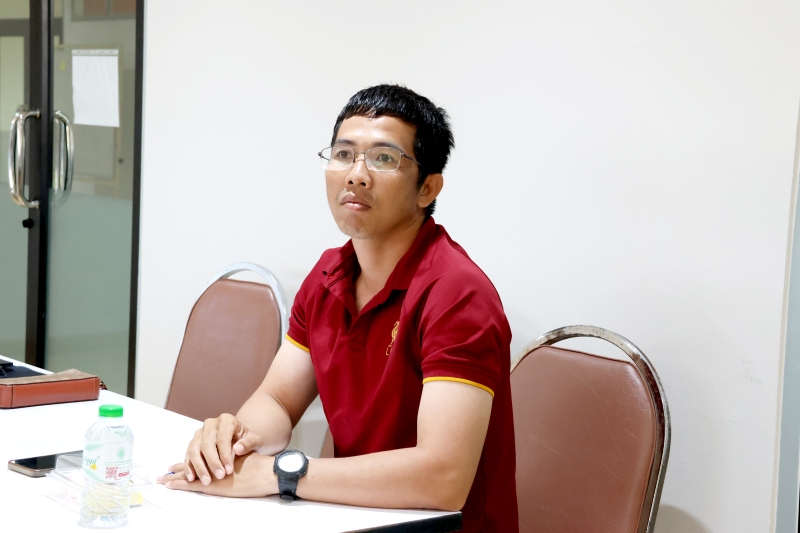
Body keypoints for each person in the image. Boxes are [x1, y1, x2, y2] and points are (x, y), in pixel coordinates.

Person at [156, 84, 519, 533]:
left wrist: (280, 474)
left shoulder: (458, 294)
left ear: (427, 188)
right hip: (352, 519)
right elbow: (278, 398)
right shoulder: (329, 275)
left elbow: (442, 478)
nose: (356, 175)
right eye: (344, 154)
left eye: (384, 158)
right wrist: (235, 442)